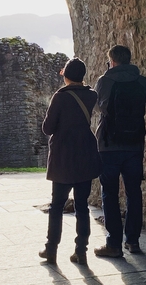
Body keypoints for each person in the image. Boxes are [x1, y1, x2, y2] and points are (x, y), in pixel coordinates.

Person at [39, 57, 100, 265]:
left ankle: (51, 249)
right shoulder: (91, 95)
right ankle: (81, 251)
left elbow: (48, 128)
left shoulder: (60, 97)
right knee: (82, 206)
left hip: (63, 157)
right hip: (85, 154)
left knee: (57, 205)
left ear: (66, 75)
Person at [93, 44, 146, 257]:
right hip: (134, 144)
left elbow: (99, 107)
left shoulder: (105, 81)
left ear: (112, 61)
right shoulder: (141, 81)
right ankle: (133, 241)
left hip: (109, 145)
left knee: (109, 193)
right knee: (134, 192)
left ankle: (114, 244)